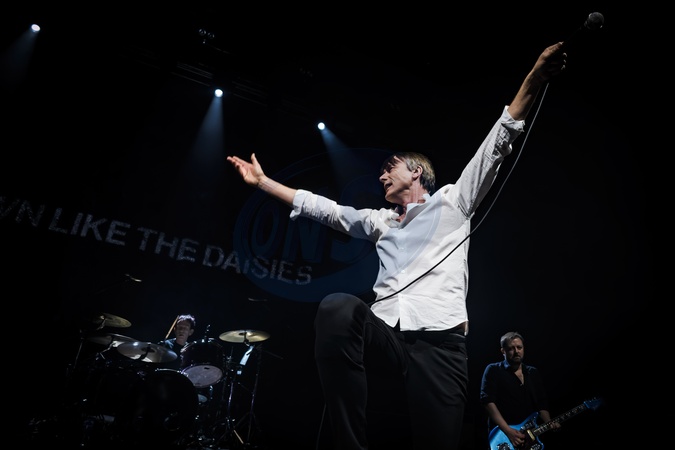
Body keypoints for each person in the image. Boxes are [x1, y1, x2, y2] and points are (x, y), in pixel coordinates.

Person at [227, 42, 567, 450]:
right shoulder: (380, 221)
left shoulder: (453, 201)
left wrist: (535, 76)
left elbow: (497, 141)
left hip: (440, 345)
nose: (382, 176)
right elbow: (326, 210)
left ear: (417, 172)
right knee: (338, 307)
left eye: (390, 168)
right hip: (386, 335)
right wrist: (263, 182)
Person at [479, 331, 560, 450]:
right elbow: (487, 402)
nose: (516, 351)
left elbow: (541, 403)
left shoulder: (532, 372)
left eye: (519, 347)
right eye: (511, 348)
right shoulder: (493, 370)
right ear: (503, 351)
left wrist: (549, 422)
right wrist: (508, 431)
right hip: (503, 436)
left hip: (529, 436)